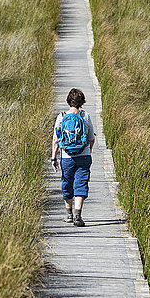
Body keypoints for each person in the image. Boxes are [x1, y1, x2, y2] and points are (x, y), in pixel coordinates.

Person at [51, 88, 95, 227]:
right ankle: (78, 215)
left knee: (67, 183)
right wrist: (88, 151)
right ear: (81, 102)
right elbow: (91, 138)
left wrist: (54, 158)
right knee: (81, 184)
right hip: (84, 155)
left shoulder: (61, 116)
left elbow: (56, 140)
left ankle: (68, 214)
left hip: (67, 156)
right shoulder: (85, 116)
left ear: (69, 101)